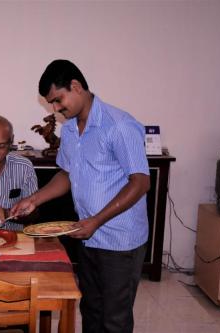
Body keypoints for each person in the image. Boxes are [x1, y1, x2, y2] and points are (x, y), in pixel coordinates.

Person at [11, 59, 150, 333]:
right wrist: (34, 199)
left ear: (75, 86)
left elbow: (141, 182)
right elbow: (66, 175)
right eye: (51, 103)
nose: (55, 108)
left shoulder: (119, 125)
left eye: (57, 100)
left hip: (119, 240)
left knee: (114, 319)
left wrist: (97, 220)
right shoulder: (71, 128)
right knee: (91, 309)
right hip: (87, 235)